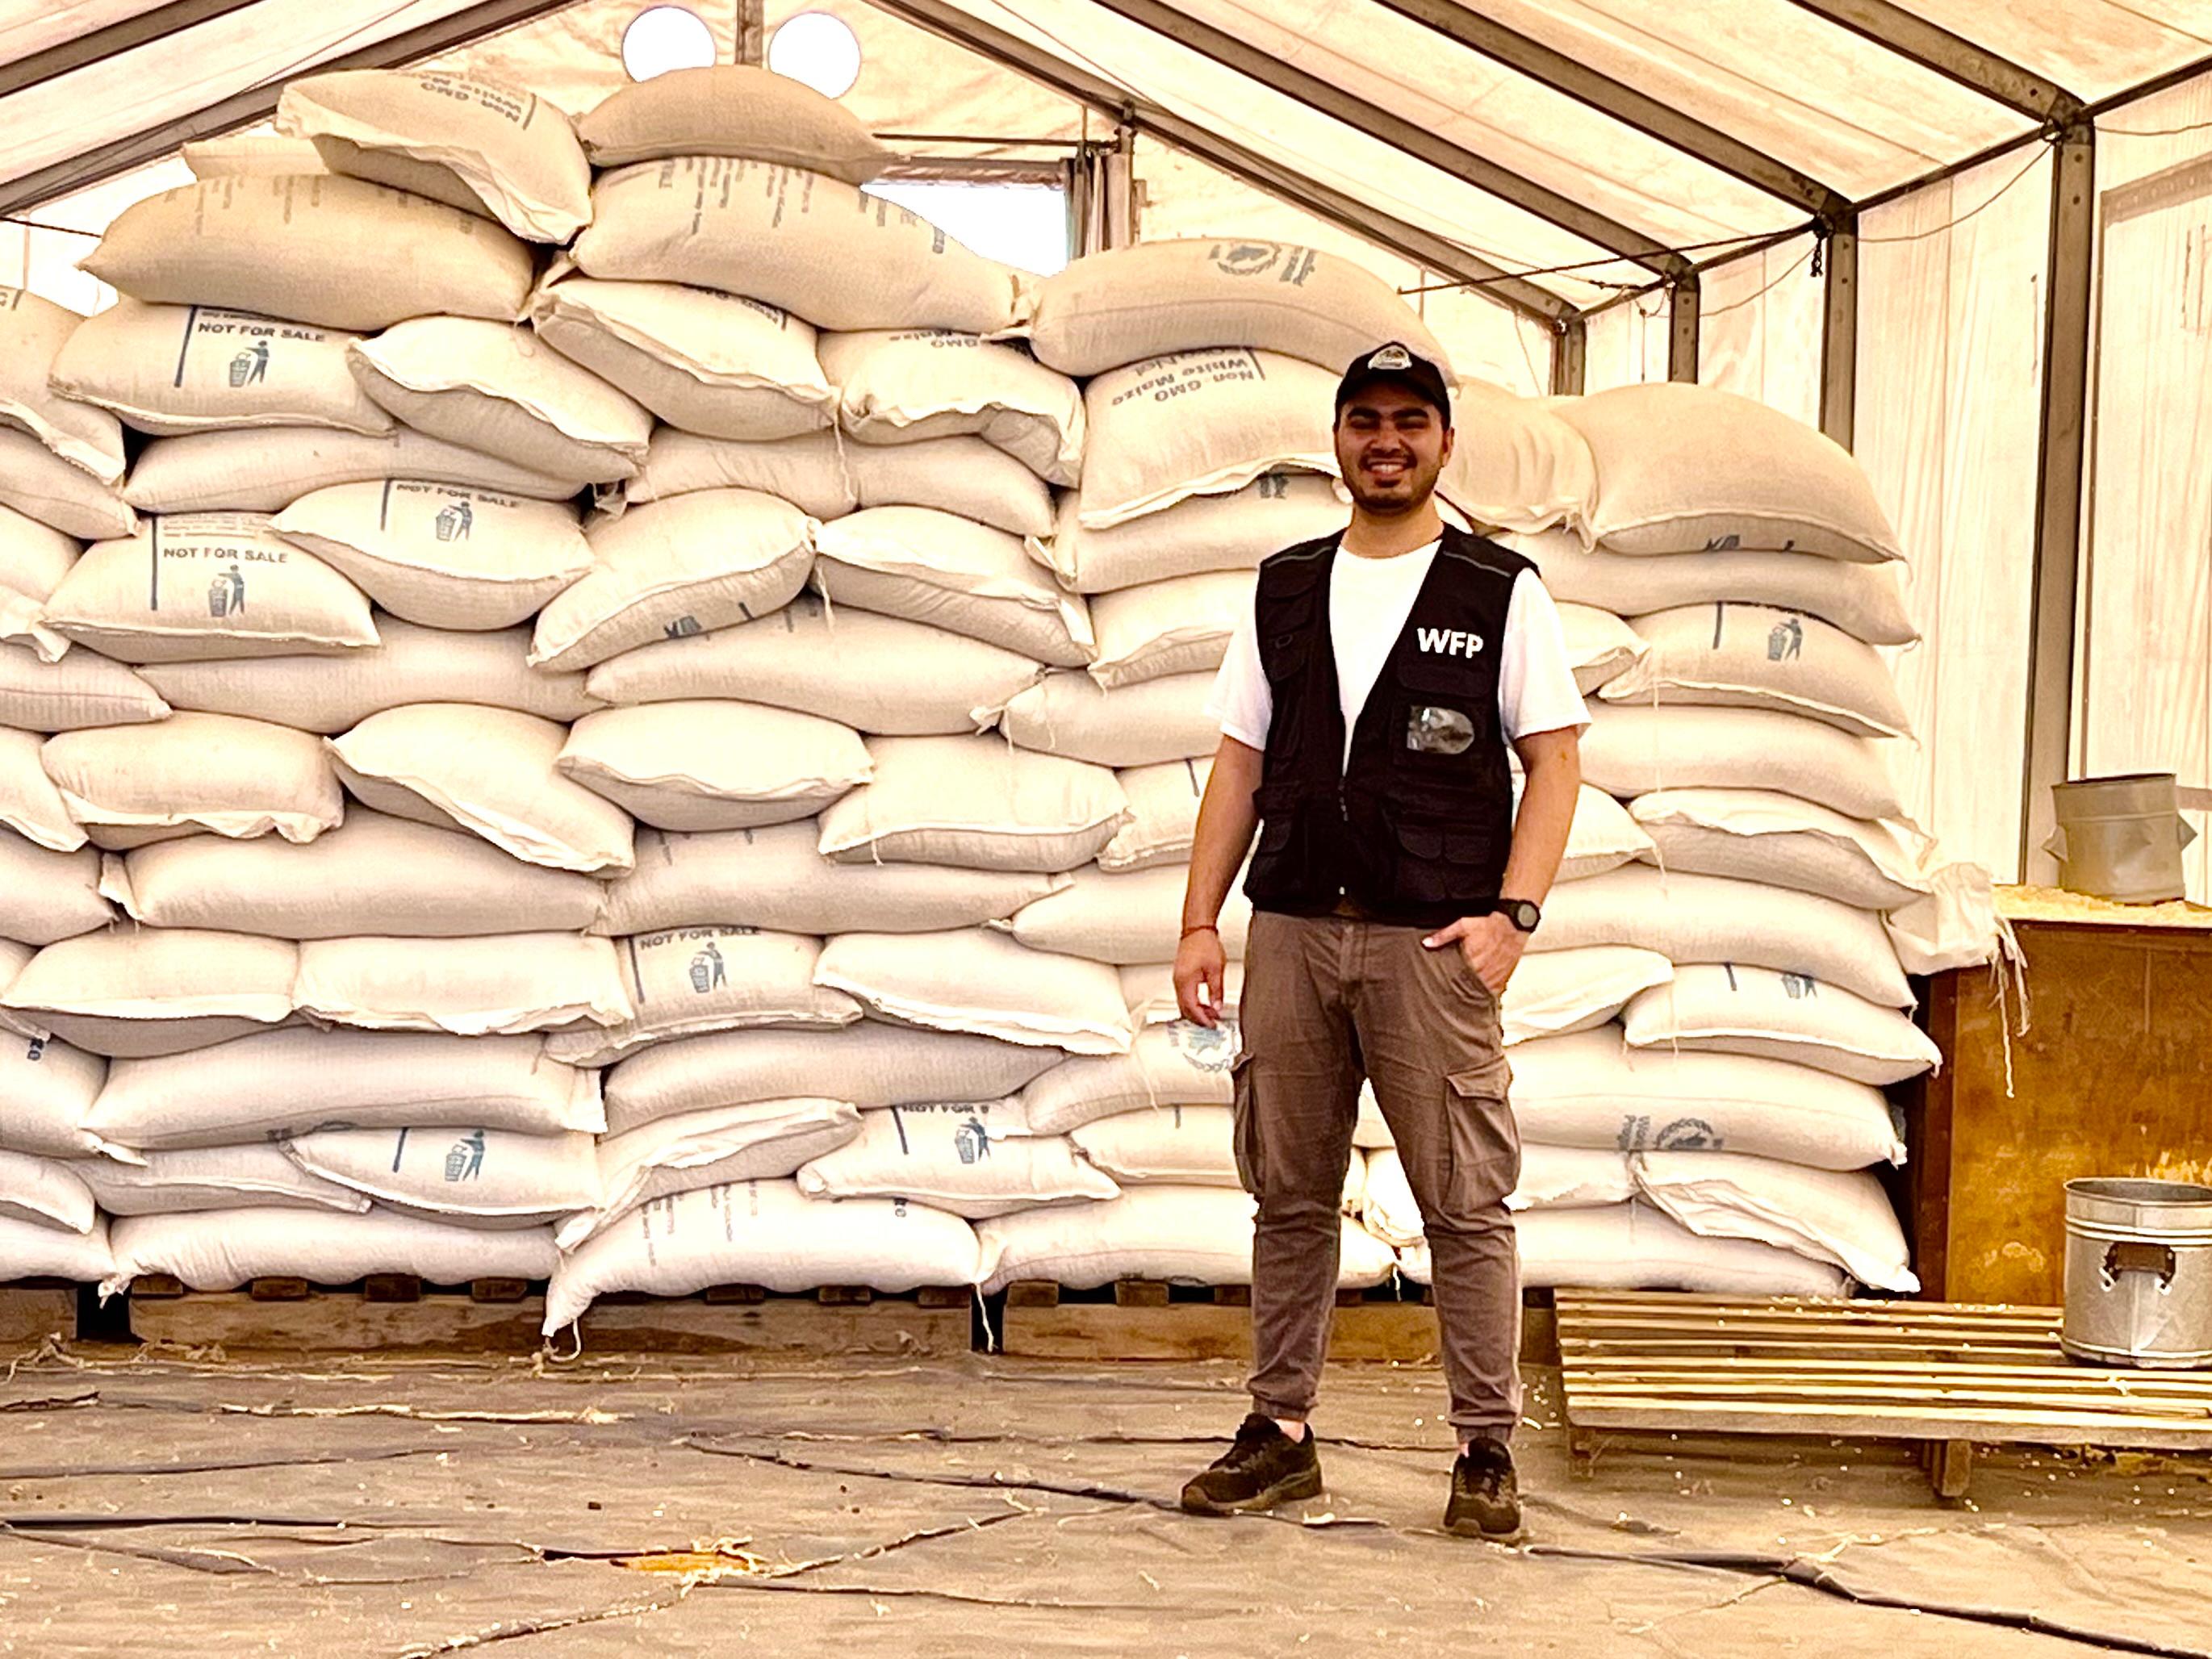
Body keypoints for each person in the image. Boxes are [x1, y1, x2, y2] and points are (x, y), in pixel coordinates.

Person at [1172, 342, 1588, 1540]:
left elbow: (1553, 761)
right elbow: (1238, 765)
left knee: (1465, 1200)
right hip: (1294, 931)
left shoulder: (1497, 590)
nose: (1386, 440)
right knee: (1286, 1194)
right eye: (1364, 420)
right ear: (1337, 441)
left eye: (1410, 421)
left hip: (1429, 944)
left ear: (1445, 444)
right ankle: (1280, 1433)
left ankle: (1483, 1446)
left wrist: (1514, 916)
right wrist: (1202, 920)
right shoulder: (1284, 588)